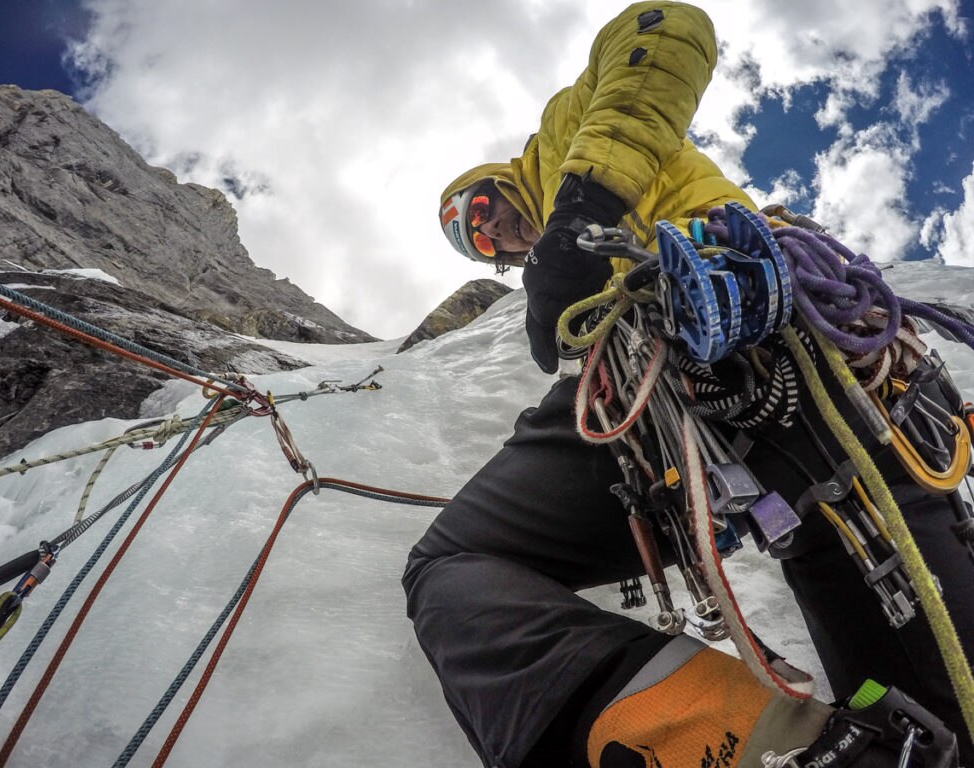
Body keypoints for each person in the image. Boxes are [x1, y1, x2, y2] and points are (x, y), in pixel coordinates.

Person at [405, 3, 971, 767]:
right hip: (657, 418)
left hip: (769, 343)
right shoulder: (560, 283)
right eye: (481, 245)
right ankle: (757, 742)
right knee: (456, 563)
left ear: (498, 182)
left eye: (482, 212)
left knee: (944, 710)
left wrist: (582, 202)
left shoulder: (567, 135)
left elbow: (667, 25)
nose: (496, 236)